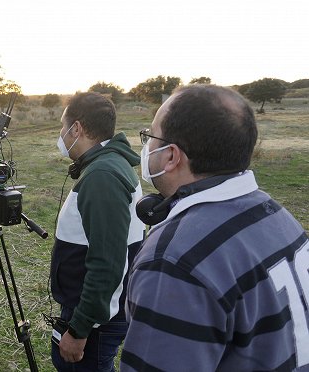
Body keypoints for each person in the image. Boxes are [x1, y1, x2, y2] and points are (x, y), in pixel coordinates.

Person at [120, 85, 309, 371]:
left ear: (171, 156)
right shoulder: (277, 215)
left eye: (150, 137)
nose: (146, 148)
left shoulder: (174, 261)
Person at [49, 92, 145, 371]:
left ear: (76, 129)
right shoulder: (109, 165)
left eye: (62, 128)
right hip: (98, 312)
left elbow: (107, 263)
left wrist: (79, 329)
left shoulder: (102, 176)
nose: (61, 136)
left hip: (96, 319)